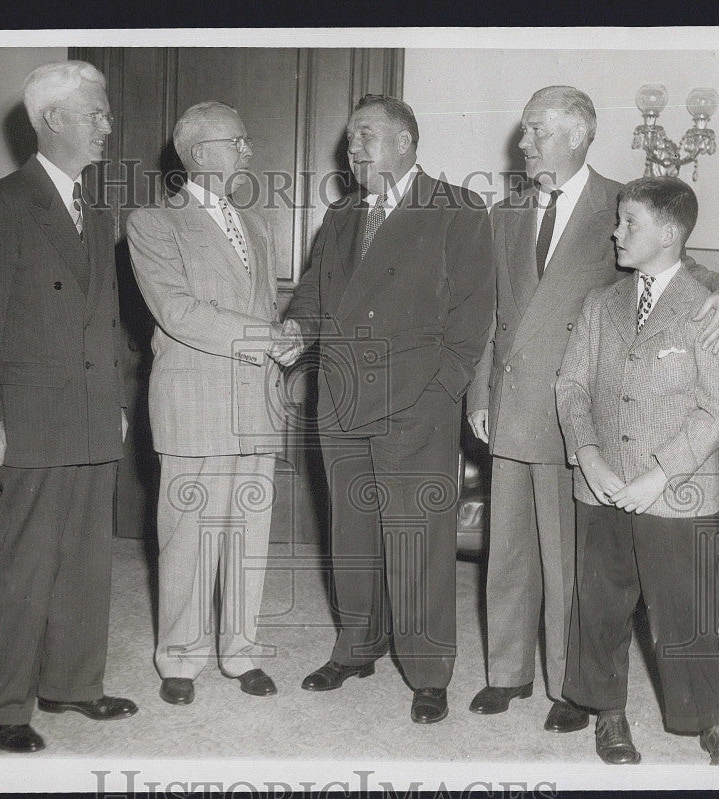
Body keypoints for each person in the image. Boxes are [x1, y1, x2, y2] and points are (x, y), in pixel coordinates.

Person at [466, 86, 719, 734]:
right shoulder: (503, 213)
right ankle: (505, 672)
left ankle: (574, 687)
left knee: (574, 563)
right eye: (525, 130)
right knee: (505, 550)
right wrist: (477, 391)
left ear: (576, 135)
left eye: (537, 130)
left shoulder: (623, 207)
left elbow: (694, 280)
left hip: (578, 417)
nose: (524, 141)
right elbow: (489, 313)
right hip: (511, 403)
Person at [273, 94, 495, 724]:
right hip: (340, 398)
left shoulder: (456, 210)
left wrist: (442, 389)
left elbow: (474, 310)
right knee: (351, 531)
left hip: (415, 400)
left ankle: (428, 671)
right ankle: (356, 646)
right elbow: (315, 292)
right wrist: (295, 333)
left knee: (417, 536)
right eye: (350, 139)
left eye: (366, 135)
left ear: (406, 142)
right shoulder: (341, 216)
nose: (355, 149)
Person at [0, 61, 136, 753]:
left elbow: (104, 316)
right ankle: (3, 703)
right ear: (56, 119)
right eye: (98, 112)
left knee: (88, 559)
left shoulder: (96, 208)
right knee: (26, 563)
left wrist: (114, 400)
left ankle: (72, 684)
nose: (108, 124)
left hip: (89, 413)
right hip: (28, 416)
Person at [556, 176, 719, 765]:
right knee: (601, 603)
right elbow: (571, 386)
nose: (616, 231)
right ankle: (607, 713)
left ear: (670, 233)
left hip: (675, 490)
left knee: (684, 609)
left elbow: (716, 410)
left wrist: (659, 474)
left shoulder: (707, 307)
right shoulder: (601, 304)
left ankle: (708, 718)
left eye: (629, 222)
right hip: (602, 482)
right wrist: (587, 456)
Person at [126, 101, 286, 706]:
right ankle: (181, 656)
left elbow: (263, 306)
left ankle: (241, 650)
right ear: (198, 153)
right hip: (194, 404)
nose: (249, 151)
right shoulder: (152, 223)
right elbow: (178, 312)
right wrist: (269, 339)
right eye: (237, 141)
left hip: (256, 404)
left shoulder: (258, 224)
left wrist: (284, 336)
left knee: (249, 533)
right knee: (189, 534)